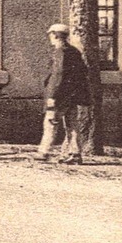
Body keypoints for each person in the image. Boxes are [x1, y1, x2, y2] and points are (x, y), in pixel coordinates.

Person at [36, 24, 92, 164]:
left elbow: (58, 75)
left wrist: (52, 96)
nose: (50, 37)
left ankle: (44, 152)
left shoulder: (59, 52)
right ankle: (75, 154)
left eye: (51, 35)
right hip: (71, 96)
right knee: (72, 126)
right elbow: (83, 73)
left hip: (59, 96)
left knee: (50, 123)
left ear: (55, 35)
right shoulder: (74, 51)